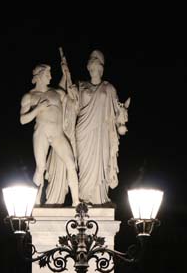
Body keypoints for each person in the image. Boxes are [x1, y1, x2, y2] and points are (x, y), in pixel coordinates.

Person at [61, 50, 129, 205]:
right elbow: (73, 105)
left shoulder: (109, 88)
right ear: (88, 68)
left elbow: (118, 110)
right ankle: (83, 199)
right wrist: (68, 84)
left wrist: (121, 123)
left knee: (102, 164)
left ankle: (99, 199)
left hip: (102, 133)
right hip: (83, 131)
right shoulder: (81, 85)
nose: (94, 70)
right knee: (84, 167)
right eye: (92, 67)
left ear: (102, 69)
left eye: (97, 67)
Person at [19, 64, 79, 206]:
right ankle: (35, 202)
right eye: (48, 74)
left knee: (71, 163)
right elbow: (22, 120)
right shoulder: (30, 96)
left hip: (58, 133)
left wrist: (67, 78)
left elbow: (72, 100)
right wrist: (38, 109)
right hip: (41, 133)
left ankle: (76, 202)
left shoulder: (56, 92)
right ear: (39, 76)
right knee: (41, 167)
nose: (51, 77)